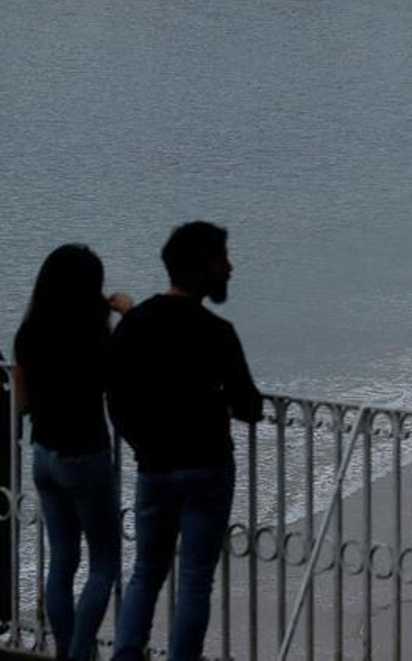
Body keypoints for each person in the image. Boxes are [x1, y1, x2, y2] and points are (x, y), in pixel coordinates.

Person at [108, 222, 264, 661]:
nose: (230, 268)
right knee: (195, 578)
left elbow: (115, 398)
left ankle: (125, 654)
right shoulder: (216, 331)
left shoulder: (135, 324)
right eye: (222, 259)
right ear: (203, 267)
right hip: (207, 466)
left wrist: (142, 444)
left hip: (154, 466)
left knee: (146, 573)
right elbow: (250, 405)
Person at [14, 245, 129, 661]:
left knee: (62, 562)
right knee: (104, 564)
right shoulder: (95, 337)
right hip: (85, 455)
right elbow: (128, 372)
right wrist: (129, 315)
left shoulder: (29, 333)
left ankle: (66, 650)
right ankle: (79, 654)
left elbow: (22, 402)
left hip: (44, 455)